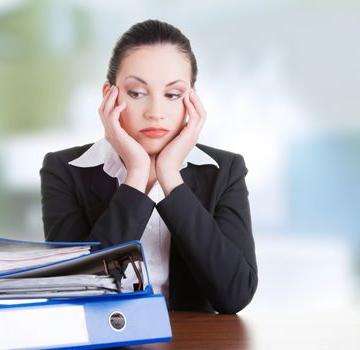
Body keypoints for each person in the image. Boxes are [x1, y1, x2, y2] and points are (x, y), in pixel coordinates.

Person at [40, 19, 257, 314]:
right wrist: (137, 176)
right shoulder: (64, 169)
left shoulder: (225, 170)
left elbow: (234, 295)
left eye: (172, 95)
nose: (156, 113)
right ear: (109, 95)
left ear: (191, 100)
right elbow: (75, 290)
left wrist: (170, 176)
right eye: (137, 93)